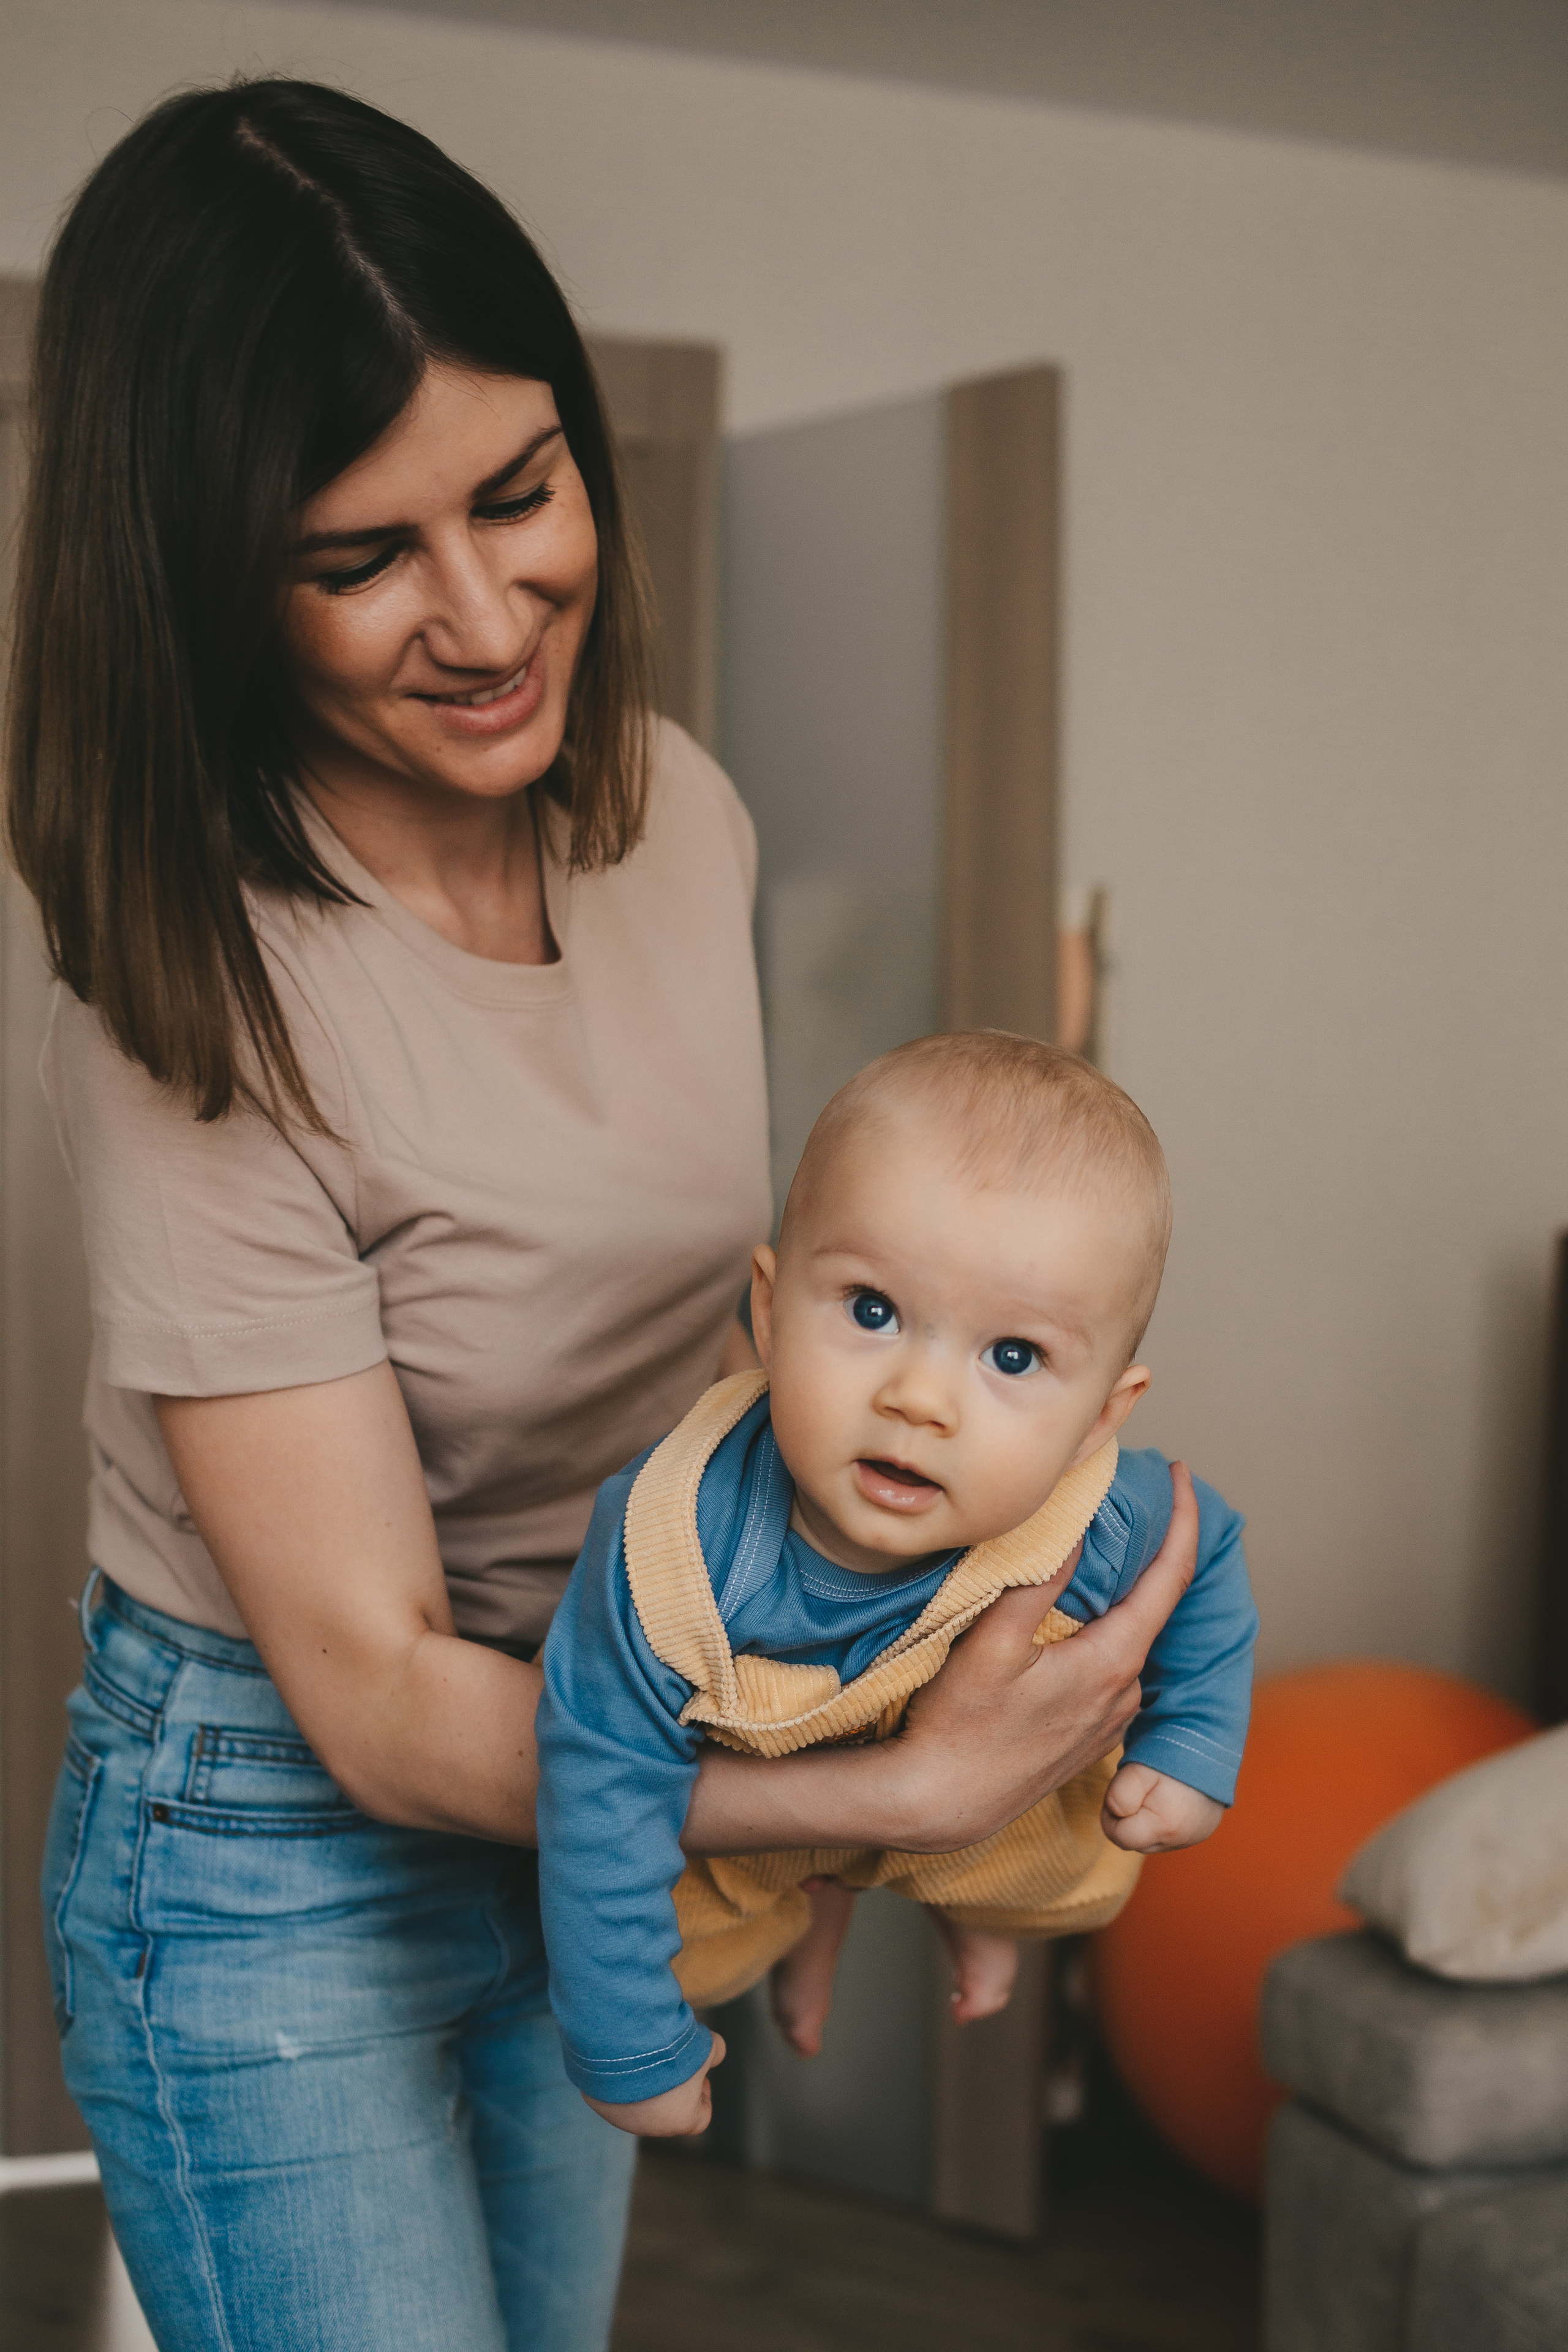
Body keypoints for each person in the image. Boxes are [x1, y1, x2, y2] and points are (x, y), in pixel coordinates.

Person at [9, 78, 1197, 2352]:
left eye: (522, 493)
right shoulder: (189, 998)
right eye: (358, 559)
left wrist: (877, 1728)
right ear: (201, 583)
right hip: (277, 1836)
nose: (482, 617)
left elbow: (753, 1358)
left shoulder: (679, 824)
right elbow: (362, 1694)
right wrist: (862, 1785)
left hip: (615, 1741)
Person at [537, 1034, 1257, 2137]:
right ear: (769, 1314)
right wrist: (630, 2050)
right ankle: (816, 1908)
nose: (921, 1399)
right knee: (695, 1938)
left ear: (1104, 1416)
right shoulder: (671, 1545)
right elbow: (599, 1791)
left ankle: (964, 1905)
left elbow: (1205, 1559)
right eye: (872, 1311)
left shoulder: (1102, 1507)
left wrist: (1195, 1740)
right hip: (761, 1822)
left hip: (993, 1810)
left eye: (1012, 1358)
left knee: (1074, 1862)